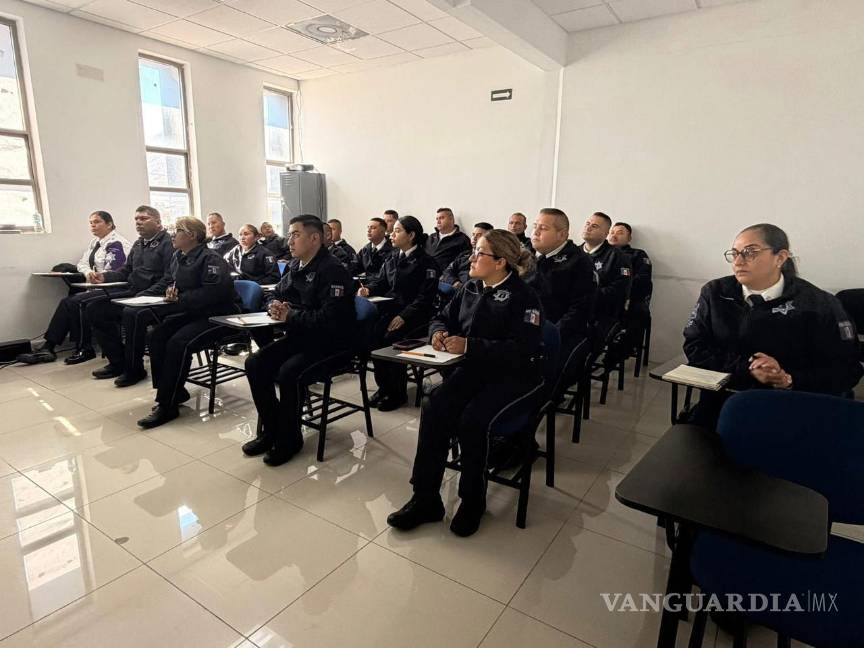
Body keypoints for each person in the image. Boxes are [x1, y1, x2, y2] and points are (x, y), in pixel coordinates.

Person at [387, 230, 544, 538]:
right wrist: (438, 333)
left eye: (479, 253)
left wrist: (470, 345)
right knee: (434, 406)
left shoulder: (524, 297)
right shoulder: (471, 287)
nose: (471, 258)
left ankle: (472, 501)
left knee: (472, 420)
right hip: (474, 370)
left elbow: (523, 349)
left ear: (500, 262)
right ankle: (425, 498)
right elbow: (441, 317)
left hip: (514, 377)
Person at [683, 223, 863, 429]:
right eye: (734, 254)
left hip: (795, 406)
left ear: (780, 257)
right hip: (724, 400)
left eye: (750, 252)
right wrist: (749, 368)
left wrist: (787, 379)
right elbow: (694, 346)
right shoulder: (716, 292)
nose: (738, 262)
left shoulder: (818, 304)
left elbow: (846, 369)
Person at [242, 215, 356, 466]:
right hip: (302, 335)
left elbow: (331, 320)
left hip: (332, 344)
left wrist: (291, 315)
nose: (289, 241)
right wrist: (273, 304)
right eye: (289, 235)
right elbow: (275, 292)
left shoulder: (333, 270)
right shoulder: (296, 265)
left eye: (296, 235)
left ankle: (289, 439)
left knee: (288, 373)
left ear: (314, 238)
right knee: (255, 363)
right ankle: (272, 430)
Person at [137, 217, 239, 429]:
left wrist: (180, 298)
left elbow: (213, 294)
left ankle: (167, 404)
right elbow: (174, 283)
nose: (172, 235)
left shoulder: (211, 259)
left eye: (177, 231)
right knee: (157, 335)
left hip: (219, 316)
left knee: (179, 343)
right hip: (193, 312)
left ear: (192, 235)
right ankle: (173, 391)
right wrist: (168, 293)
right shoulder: (178, 256)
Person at [17, 211, 132, 365]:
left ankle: (84, 348)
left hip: (114, 288)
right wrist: (89, 273)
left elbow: (114, 271)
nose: (93, 225)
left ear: (109, 224)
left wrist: (98, 276)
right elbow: (81, 264)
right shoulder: (95, 242)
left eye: (97, 222)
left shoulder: (117, 243)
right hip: (97, 285)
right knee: (69, 301)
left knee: (75, 302)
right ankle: (48, 347)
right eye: (91, 222)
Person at [359, 216, 439, 411]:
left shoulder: (427, 262)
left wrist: (404, 316)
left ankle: (397, 392)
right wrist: (368, 289)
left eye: (397, 231)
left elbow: (425, 298)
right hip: (392, 311)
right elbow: (381, 282)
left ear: (411, 235)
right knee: (374, 337)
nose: (391, 235)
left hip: (416, 316)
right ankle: (384, 387)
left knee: (392, 340)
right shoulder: (393, 256)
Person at [88, 205, 174, 385]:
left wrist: (144, 294)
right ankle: (118, 362)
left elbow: (170, 277)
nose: (138, 223)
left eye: (144, 219)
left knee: (131, 313)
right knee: (95, 308)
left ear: (158, 222)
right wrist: (104, 276)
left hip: (156, 296)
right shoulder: (138, 243)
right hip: (135, 292)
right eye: (136, 219)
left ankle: (135, 369)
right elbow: (126, 271)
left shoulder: (168, 243)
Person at [525, 208, 597, 358]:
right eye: (535, 226)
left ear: (562, 235)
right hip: (525, 326)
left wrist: (550, 335)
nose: (535, 232)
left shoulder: (579, 262)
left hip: (556, 334)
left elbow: (580, 309)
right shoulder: (529, 254)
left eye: (543, 228)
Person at [581, 212, 631, 334]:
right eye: (587, 224)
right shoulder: (572, 254)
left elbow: (619, 291)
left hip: (600, 315)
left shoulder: (618, 257)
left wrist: (587, 297)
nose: (588, 228)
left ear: (605, 233)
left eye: (594, 226)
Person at [608, 221, 653, 353]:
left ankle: (617, 353)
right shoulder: (601, 254)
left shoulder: (637, 255)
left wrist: (621, 290)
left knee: (638, 312)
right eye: (611, 232)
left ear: (629, 238)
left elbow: (642, 280)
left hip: (629, 299)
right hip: (604, 297)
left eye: (620, 233)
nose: (614, 235)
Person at [441, 222, 493, 288]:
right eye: (473, 234)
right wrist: (454, 282)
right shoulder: (464, 254)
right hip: (456, 288)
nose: (474, 238)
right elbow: (447, 271)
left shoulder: (490, 258)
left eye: (479, 235)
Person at [425, 207, 471, 272]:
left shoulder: (462, 239)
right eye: (437, 219)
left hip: (446, 276)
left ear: (451, 219)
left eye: (441, 218)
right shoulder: (431, 237)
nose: (438, 221)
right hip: (425, 274)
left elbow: (464, 264)